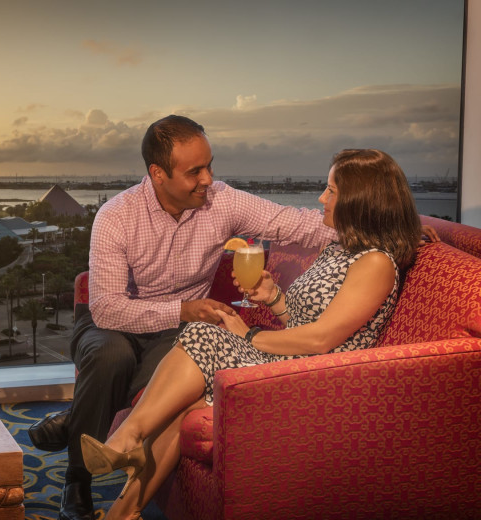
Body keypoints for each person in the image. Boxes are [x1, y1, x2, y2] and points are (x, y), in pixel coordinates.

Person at [79, 148, 423, 520]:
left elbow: (321, 339)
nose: (321, 198)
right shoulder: (342, 247)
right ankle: (120, 510)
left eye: (331, 190)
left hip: (319, 378)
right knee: (182, 392)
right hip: (297, 361)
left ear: (361, 200)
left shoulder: (374, 262)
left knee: (202, 333)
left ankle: (126, 438)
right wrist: (274, 297)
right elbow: (304, 322)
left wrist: (250, 335)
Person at [28, 114, 339, 520]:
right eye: (195, 171)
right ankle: (76, 482)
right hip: (113, 323)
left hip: (176, 329)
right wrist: (181, 309)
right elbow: (105, 306)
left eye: (210, 166)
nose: (208, 179)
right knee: (111, 358)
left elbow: (294, 224)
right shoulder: (116, 216)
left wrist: (387, 227)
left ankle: (80, 418)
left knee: (171, 366)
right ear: (158, 174)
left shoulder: (222, 200)